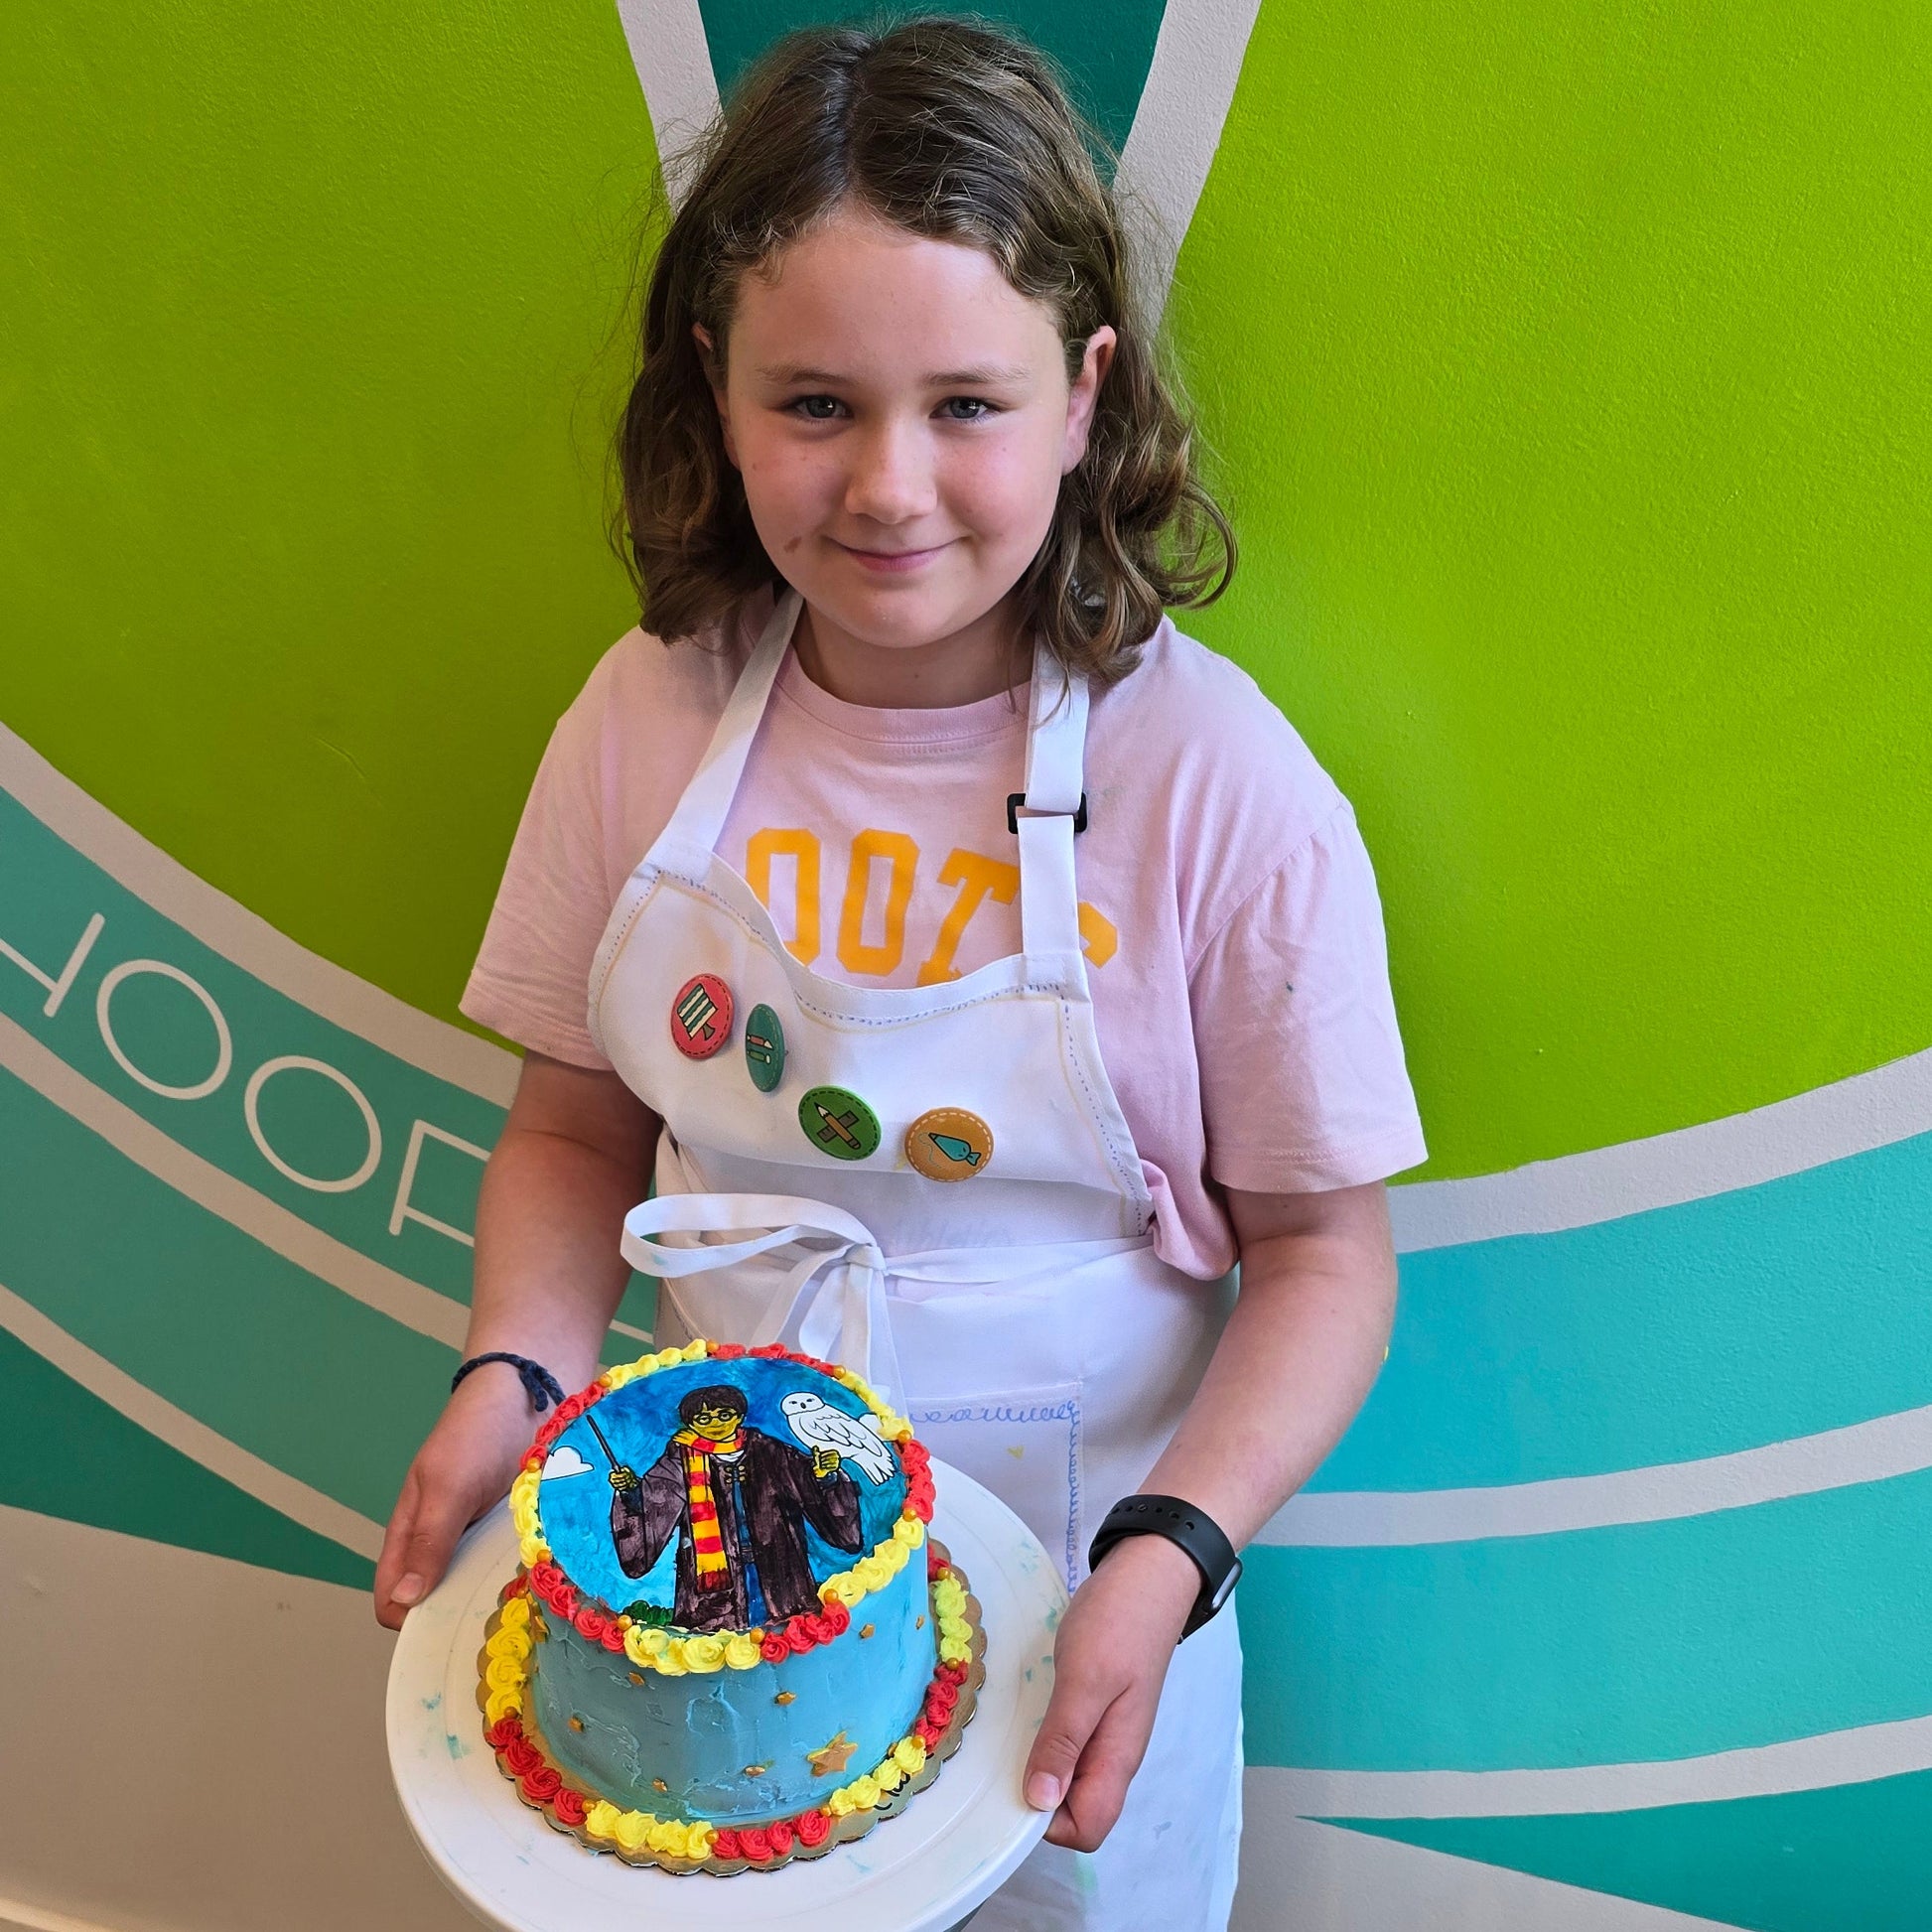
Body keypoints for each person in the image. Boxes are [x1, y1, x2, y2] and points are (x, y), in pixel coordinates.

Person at [374, 18, 1426, 1928]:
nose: (886, 486)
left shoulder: (1215, 786)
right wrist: (516, 1368)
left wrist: (1171, 1548)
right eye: (813, 404)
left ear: (1087, 391)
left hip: (1094, 1625)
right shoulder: (644, 719)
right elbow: (569, 1133)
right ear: (714, 383)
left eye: (965, 403)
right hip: (717, 1624)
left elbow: (1329, 1258)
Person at [605, 1381, 863, 1631]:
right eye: (704, 1419)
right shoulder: (680, 1457)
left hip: (779, 1565)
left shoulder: (769, 1450)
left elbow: (808, 1482)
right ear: (691, 1424)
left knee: (785, 1626)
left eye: (724, 1414)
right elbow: (657, 1499)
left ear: (739, 1416)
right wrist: (631, 1491)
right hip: (713, 1580)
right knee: (715, 1635)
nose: (715, 1424)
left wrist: (825, 1476)